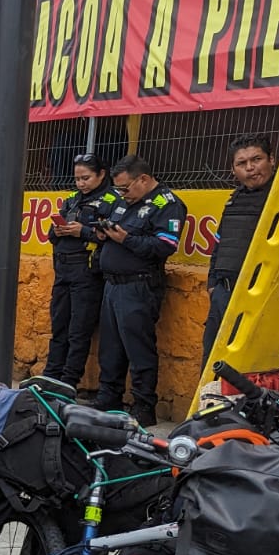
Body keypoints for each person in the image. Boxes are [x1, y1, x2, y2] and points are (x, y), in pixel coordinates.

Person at [92, 155, 187, 426]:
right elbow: (109, 222)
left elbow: (165, 246)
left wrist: (127, 239)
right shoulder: (125, 200)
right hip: (111, 284)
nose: (121, 194)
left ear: (143, 179)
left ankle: (144, 405)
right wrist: (103, 234)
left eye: (124, 187)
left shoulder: (166, 204)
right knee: (110, 348)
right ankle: (108, 397)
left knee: (138, 348)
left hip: (139, 285)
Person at [42, 153, 119, 391]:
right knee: (59, 326)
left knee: (79, 330)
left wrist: (82, 231)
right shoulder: (72, 200)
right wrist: (60, 229)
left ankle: (68, 381)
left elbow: (110, 236)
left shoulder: (112, 200)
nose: (80, 183)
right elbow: (50, 235)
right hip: (63, 269)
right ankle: (50, 376)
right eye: (77, 179)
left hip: (87, 271)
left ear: (101, 174)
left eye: (86, 178)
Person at [203, 135, 278, 360]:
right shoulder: (234, 199)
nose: (250, 168)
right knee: (213, 359)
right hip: (224, 292)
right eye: (241, 163)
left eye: (257, 159)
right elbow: (219, 243)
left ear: (272, 160)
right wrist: (212, 284)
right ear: (233, 169)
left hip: (260, 294)